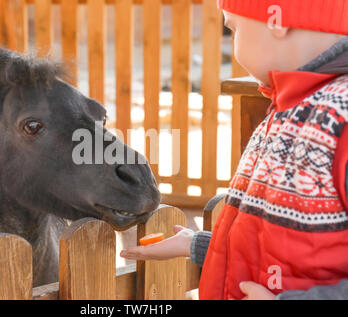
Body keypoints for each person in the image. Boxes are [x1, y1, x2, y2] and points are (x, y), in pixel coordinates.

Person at [121, 0, 348, 300]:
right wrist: (197, 244)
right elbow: (278, 247)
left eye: (233, 28)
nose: (233, 44)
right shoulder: (291, 111)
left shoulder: (338, 119)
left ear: (276, 20)